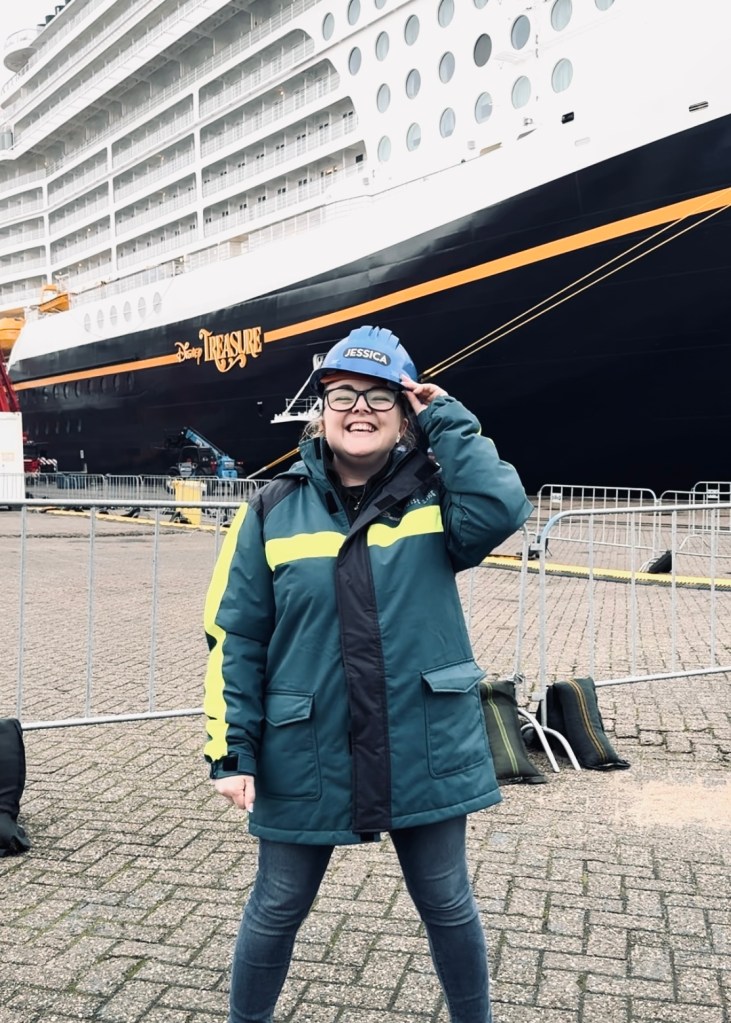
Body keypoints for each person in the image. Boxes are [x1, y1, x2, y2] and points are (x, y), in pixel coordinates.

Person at [203, 325, 532, 1023]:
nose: (360, 409)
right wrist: (233, 750)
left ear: (405, 411)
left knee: (447, 903)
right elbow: (238, 635)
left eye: (380, 397)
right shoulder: (268, 507)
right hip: (306, 743)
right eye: (343, 393)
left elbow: (503, 506)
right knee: (277, 904)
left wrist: (445, 413)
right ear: (319, 409)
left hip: (424, 738)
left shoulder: (438, 501)